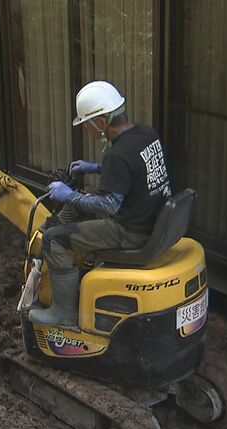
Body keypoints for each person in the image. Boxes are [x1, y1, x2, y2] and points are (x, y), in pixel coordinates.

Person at [29, 81, 172, 327]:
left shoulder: (116, 155)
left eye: (87, 125)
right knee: (84, 198)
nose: (87, 130)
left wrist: (68, 195)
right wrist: (95, 167)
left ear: (102, 122)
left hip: (130, 232)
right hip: (151, 217)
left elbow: (109, 207)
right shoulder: (146, 134)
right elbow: (135, 169)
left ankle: (63, 314)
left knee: (53, 239)